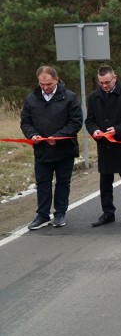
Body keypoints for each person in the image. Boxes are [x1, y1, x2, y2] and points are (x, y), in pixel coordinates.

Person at [20, 66, 83, 230]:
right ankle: (42, 215)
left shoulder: (69, 97)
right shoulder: (31, 99)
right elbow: (25, 122)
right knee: (43, 183)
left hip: (64, 149)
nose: (46, 87)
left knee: (63, 182)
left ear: (56, 79)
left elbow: (76, 122)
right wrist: (32, 134)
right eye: (42, 84)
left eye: (48, 84)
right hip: (42, 149)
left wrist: (59, 136)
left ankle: (60, 212)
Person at [85, 65, 121, 228]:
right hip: (105, 147)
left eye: (107, 82)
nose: (104, 86)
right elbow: (89, 120)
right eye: (101, 83)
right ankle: (108, 213)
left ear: (114, 78)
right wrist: (94, 131)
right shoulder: (93, 97)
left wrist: (117, 130)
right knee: (105, 182)